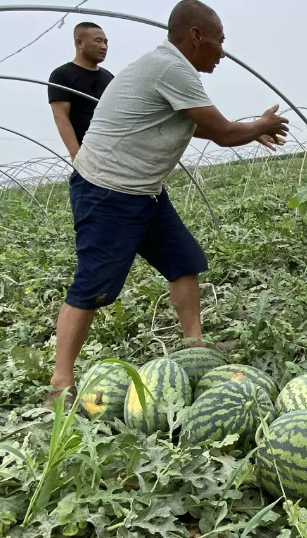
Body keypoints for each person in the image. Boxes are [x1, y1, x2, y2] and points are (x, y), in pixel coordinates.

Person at [47, 0, 289, 405]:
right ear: (196, 36)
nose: (222, 51)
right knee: (93, 286)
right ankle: (59, 382)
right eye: (219, 41)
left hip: (145, 190)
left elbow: (196, 125)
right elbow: (224, 133)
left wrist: (249, 132)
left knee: (184, 262)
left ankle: (194, 346)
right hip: (108, 190)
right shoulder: (171, 67)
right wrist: (258, 126)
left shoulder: (170, 70)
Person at [48, 22, 114, 162]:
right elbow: (61, 117)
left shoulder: (109, 77)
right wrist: (76, 155)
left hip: (115, 151)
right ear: (80, 43)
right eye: (98, 41)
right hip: (89, 155)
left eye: (106, 42)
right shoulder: (62, 75)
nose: (104, 46)